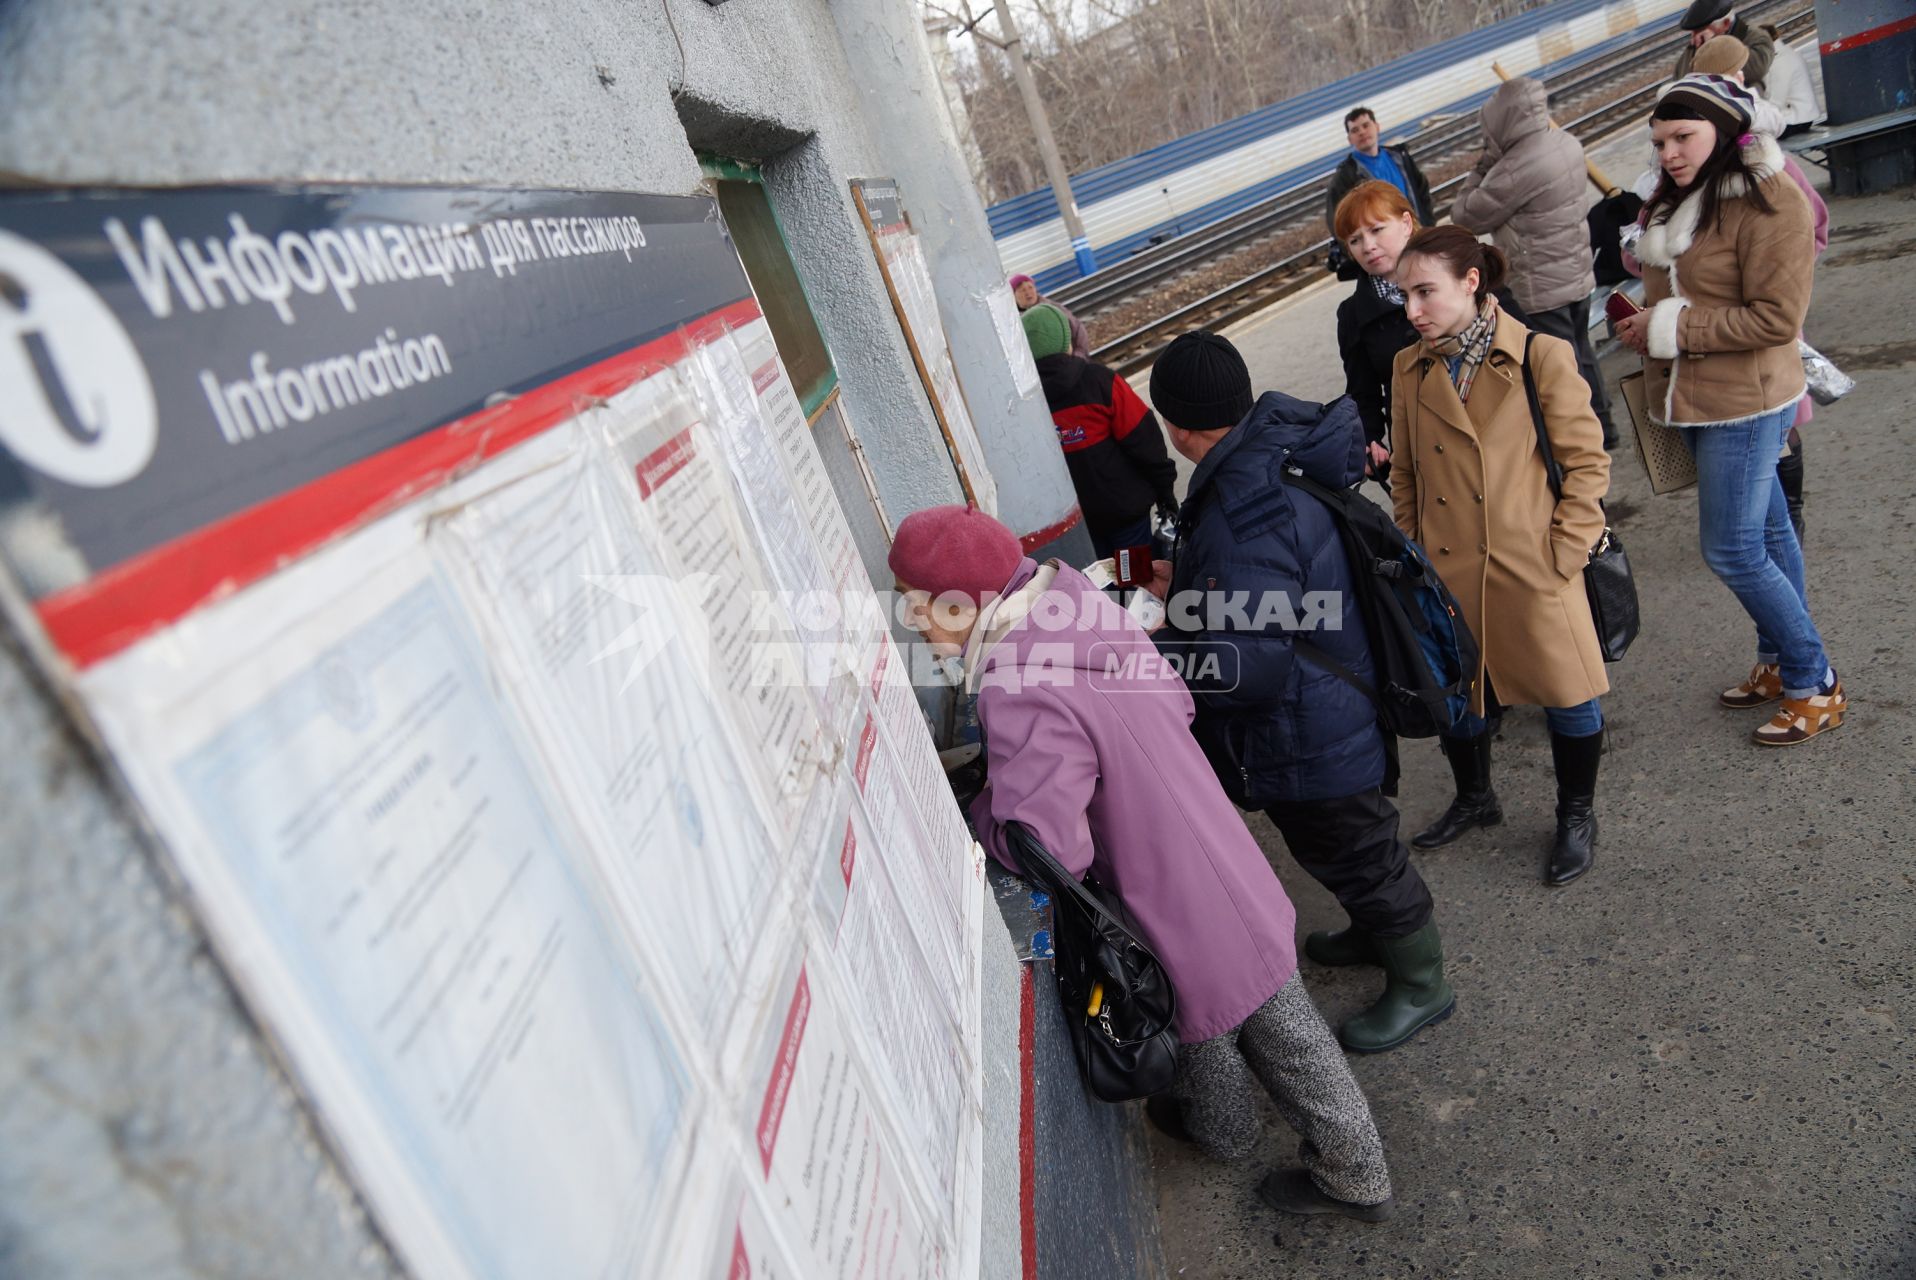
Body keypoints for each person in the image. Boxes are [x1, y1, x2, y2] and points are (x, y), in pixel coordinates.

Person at [890, 503, 1396, 1222]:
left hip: (1156, 880)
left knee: (1267, 1029)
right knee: (1235, 1007)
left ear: (965, 603)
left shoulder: (1016, 684)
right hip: (1208, 846)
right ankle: (1227, 1129)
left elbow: (1048, 845)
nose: (912, 621)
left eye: (919, 603)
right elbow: (1178, 705)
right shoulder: (1081, 614)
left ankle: (1355, 1176)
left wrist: (984, 817)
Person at [1146, 332, 1455, 1053]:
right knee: (1338, 851)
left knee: (1361, 853)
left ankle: (1422, 983)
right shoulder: (1267, 452)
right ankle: (1375, 933)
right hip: (1332, 696)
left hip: (1307, 727)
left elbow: (1246, 667)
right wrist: (1187, 584)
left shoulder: (1239, 507)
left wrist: (1150, 652)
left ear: (1175, 425)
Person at [1614, 76, 1845, 744]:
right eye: (1660, 141)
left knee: (1733, 549)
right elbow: (1685, 284)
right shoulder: (1689, 195)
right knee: (1769, 536)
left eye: (1683, 136)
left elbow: (1777, 317)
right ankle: (1779, 665)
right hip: (1703, 396)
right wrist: (1646, 319)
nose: (1670, 152)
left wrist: (1669, 327)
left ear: (1725, 128)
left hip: (1746, 399)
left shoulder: (1770, 199)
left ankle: (1815, 679)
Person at [1389, 227, 1612, 885]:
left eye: (1425, 291)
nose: (1412, 310)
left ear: (1471, 282)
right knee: (1462, 693)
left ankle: (1576, 815)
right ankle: (1476, 797)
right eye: (1404, 294)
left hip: (1531, 562)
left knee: (1570, 695)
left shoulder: (1539, 354)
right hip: (1448, 565)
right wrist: (1417, 548)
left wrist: (1563, 554)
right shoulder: (1410, 368)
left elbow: (1586, 462)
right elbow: (1405, 473)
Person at [1689, 36, 1831, 538]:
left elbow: (1813, 222)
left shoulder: (1766, 160)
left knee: (1779, 420)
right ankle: (1772, 521)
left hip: (1760, 322)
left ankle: (1788, 516)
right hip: (1714, 335)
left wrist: (1781, 274)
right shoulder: (1681, 170)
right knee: (1754, 433)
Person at [1450, 76, 1618, 450]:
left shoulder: (1515, 169)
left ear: (1504, 121)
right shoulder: (1564, 142)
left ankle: (1582, 439)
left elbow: (1465, 215)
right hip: (1576, 272)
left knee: (1560, 366)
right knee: (1582, 351)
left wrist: (1482, 166)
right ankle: (1604, 425)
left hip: (1542, 286)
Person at [1332, 180, 1529, 485]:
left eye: (1377, 229)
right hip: (1425, 450)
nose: (1368, 246)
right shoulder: (1353, 315)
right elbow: (1363, 393)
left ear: (1407, 223)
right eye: (1355, 240)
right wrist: (1370, 440)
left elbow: (1521, 339)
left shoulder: (1457, 265)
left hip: (1500, 426)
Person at [1022, 302, 1177, 559]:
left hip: (1077, 525)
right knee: (1136, 585)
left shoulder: (1027, 403)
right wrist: (1165, 492)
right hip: (1124, 514)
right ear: (1065, 342)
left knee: (1098, 589)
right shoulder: (1100, 381)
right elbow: (1145, 441)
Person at [1325, 107, 1435, 279]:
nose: (1362, 132)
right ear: (1349, 139)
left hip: (1417, 241)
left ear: (1377, 127)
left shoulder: (1400, 157)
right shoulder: (1345, 177)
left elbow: (1422, 192)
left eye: (1365, 125)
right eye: (1355, 130)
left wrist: (1428, 226)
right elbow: (1337, 223)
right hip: (1382, 255)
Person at [1672, 1, 1775, 91]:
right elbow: (1679, 80)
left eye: (1701, 30)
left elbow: (1756, 70)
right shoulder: (1696, 46)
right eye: (1693, 32)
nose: (1694, 38)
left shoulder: (1758, 38)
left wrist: (1713, 49)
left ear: (1726, 24)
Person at [1010, 272, 1090, 357]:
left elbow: (1078, 329)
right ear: (1013, 296)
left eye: (1030, 287)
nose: (1028, 292)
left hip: (1071, 360)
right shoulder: (1014, 322)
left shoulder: (1053, 309)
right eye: (1022, 290)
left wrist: (1079, 355)